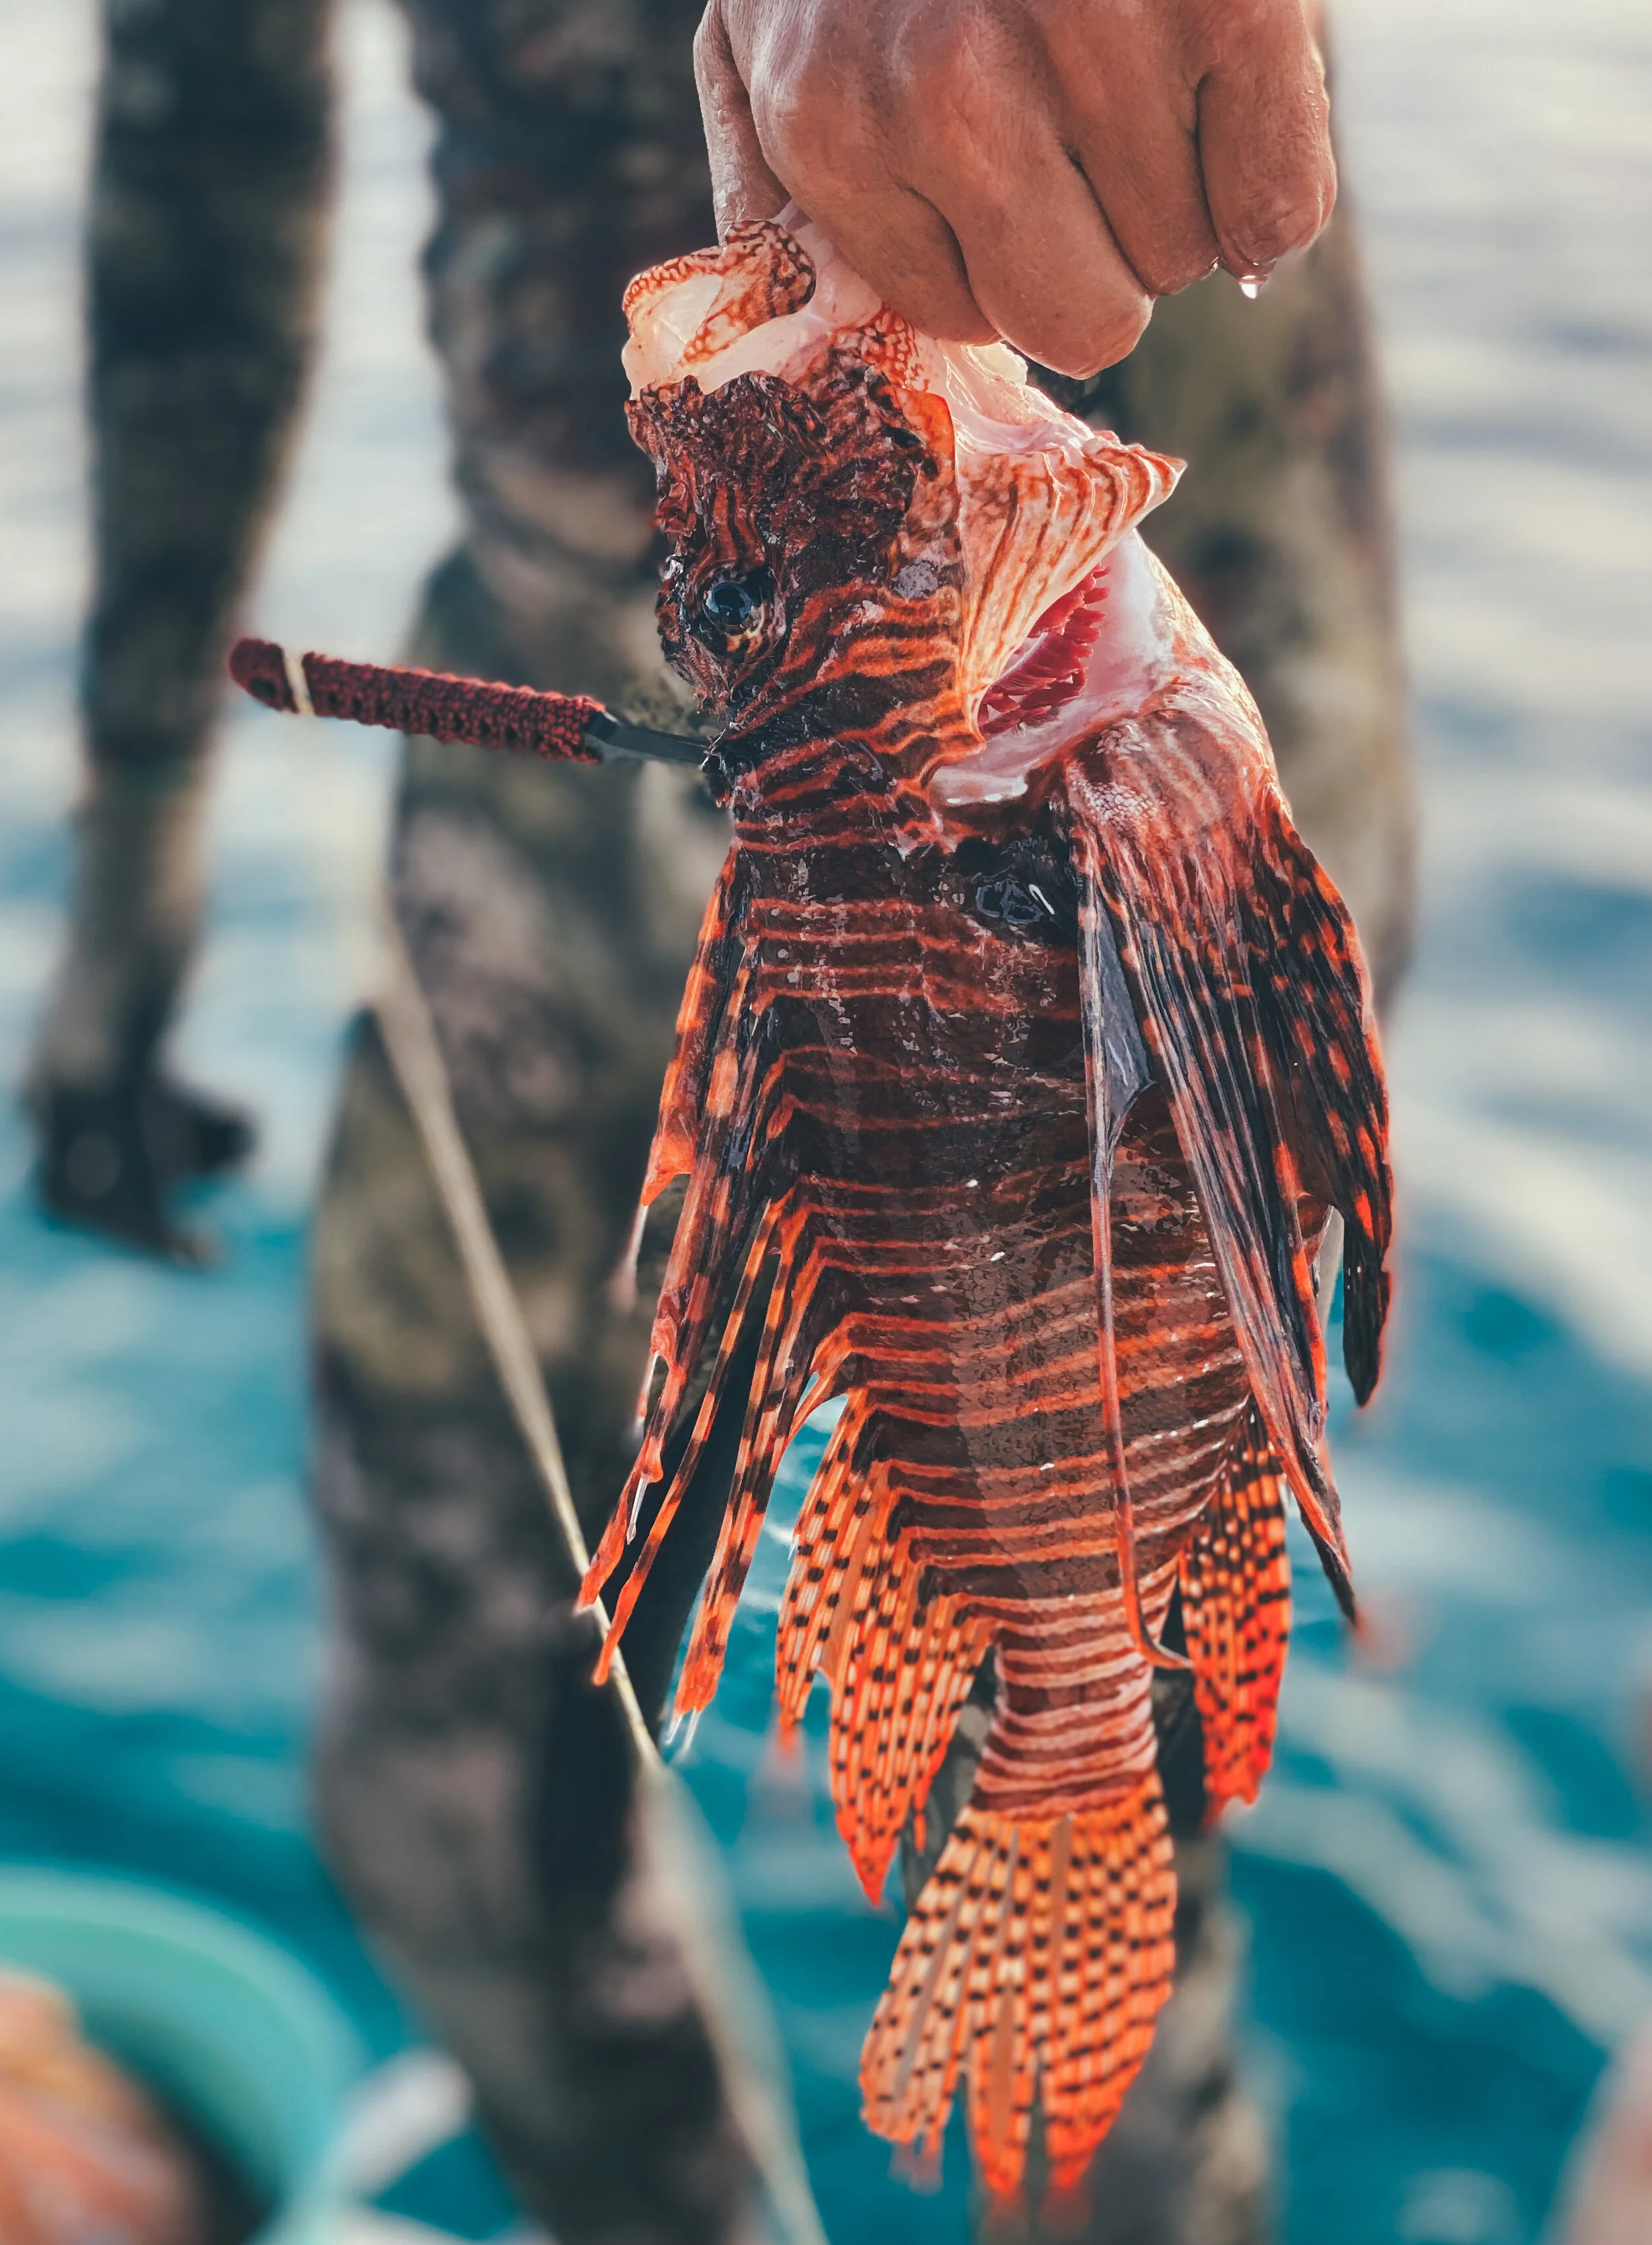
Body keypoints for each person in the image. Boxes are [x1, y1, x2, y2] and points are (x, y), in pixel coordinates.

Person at [31, 3, 1413, 2238]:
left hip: (1091, 738)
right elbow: (205, 142)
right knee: (444, 1798)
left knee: (1106, 1802)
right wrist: (132, 847)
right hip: (623, 705)